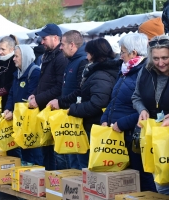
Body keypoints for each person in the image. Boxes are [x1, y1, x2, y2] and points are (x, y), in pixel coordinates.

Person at [100, 33, 157, 192]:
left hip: (134, 134)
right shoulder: (125, 71)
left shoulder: (145, 72)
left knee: (141, 176)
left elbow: (147, 109)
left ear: (133, 53)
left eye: (123, 51)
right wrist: (105, 118)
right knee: (125, 180)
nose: (120, 55)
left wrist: (122, 123)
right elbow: (114, 99)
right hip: (118, 134)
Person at [60, 38, 120, 169]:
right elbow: (82, 93)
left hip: (93, 125)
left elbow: (97, 103)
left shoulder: (100, 74)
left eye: (88, 53)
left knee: (85, 166)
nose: (86, 57)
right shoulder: (95, 71)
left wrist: (74, 109)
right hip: (90, 124)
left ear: (94, 53)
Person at [28, 23, 68, 170]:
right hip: (46, 111)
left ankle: (53, 187)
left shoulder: (61, 57)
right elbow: (45, 82)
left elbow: (59, 87)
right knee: (47, 150)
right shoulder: (49, 55)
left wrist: (38, 99)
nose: (42, 41)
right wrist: (35, 94)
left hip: (55, 112)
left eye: (44, 38)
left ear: (55, 38)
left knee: (54, 154)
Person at [132, 35, 169, 195]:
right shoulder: (145, 71)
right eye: (156, 58)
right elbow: (136, 96)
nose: (160, 63)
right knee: (161, 183)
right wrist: (142, 110)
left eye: (165, 58)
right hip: (154, 135)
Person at [47, 30, 88, 170]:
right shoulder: (71, 61)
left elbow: (80, 91)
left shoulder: (82, 61)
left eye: (62, 44)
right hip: (69, 117)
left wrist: (61, 102)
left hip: (77, 118)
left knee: (77, 161)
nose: (60, 47)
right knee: (70, 160)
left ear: (72, 45)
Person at [3, 44, 43, 165]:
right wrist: (7, 109)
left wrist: (14, 113)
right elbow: (11, 94)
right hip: (20, 119)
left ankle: (36, 178)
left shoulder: (34, 72)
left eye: (16, 56)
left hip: (31, 121)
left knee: (34, 153)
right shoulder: (18, 73)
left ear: (25, 57)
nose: (13, 59)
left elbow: (30, 97)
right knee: (24, 151)